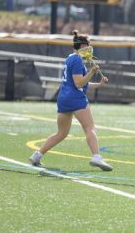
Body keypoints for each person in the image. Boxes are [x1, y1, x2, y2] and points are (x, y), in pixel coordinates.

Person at [29, 30, 113, 171]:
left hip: (64, 99)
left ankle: (37, 155)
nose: (89, 49)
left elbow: (82, 83)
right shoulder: (77, 60)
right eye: (87, 46)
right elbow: (79, 83)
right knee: (90, 128)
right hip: (76, 99)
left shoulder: (70, 58)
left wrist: (98, 84)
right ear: (81, 46)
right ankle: (96, 157)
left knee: (61, 133)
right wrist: (92, 73)